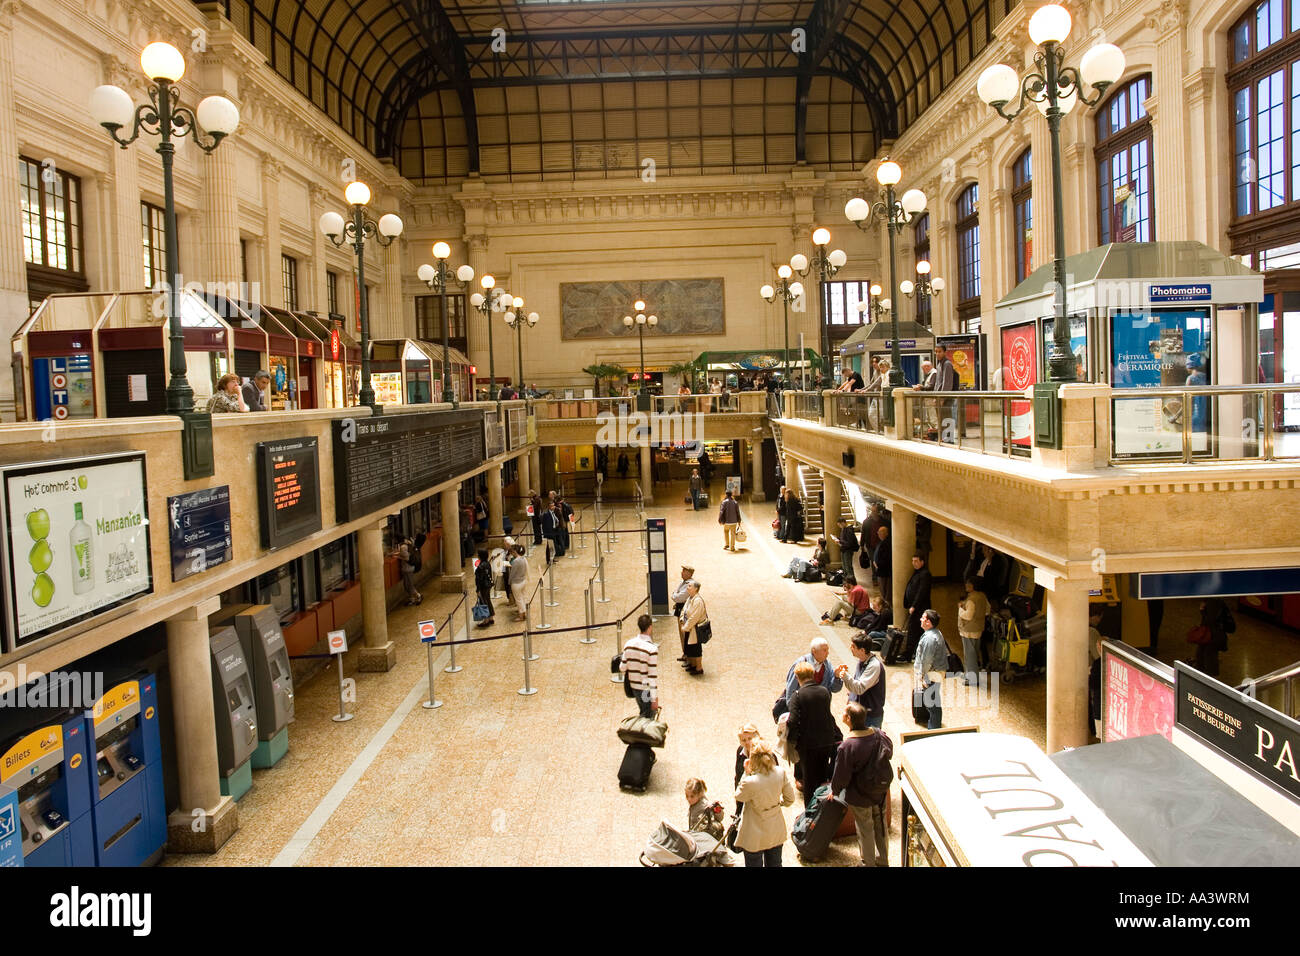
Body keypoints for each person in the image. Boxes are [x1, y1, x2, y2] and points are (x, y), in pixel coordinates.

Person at [831, 703, 893, 867]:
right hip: (879, 790)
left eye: (844, 713)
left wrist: (834, 791)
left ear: (849, 719)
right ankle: (883, 861)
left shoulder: (847, 746)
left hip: (860, 795)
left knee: (865, 828)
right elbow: (890, 751)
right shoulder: (879, 734)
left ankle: (868, 862)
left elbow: (841, 775)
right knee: (880, 827)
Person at [787, 660, 843, 798]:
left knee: (809, 779)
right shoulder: (824, 691)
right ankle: (822, 805)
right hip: (825, 742)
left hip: (808, 745)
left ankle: (810, 811)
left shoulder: (798, 695)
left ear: (797, 677)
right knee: (822, 775)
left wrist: (791, 740)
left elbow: (793, 721)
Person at [733, 741, 794, 867]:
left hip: (753, 834)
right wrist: (778, 804)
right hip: (775, 829)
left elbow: (739, 795)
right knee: (775, 864)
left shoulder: (750, 781)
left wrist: (746, 772)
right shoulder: (780, 772)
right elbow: (790, 799)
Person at [836, 634, 886, 729]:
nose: (850, 648)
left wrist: (844, 674)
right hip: (860, 713)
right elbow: (856, 683)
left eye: (853, 646)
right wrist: (850, 700)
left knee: (870, 742)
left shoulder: (874, 666)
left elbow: (859, 688)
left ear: (862, 650)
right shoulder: (862, 661)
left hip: (871, 716)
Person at [619, 612, 659, 717]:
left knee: (643, 711)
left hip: (634, 687)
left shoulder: (628, 644)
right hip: (645, 689)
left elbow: (622, 667)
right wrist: (654, 698)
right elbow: (652, 676)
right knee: (648, 717)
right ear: (650, 627)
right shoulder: (652, 649)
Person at [913, 610, 948, 729]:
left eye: (923, 618)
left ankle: (933, 729)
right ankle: (934, 726)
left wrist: (922, 676)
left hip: (931, 673)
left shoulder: (930, 638)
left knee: (932, 704)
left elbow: (927, 660)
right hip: (935, 672)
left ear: (928, 622)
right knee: (932, 702)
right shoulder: (934, 633)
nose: (920, 619)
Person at [783, 637, 844, 704]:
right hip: (803, 708)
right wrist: (793, 710)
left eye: (827, 650)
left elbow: (834, 689)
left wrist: (836, 677)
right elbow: (791, 689)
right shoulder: (801, 664)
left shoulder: (827, 665)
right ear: (814, 651)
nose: (828, 653)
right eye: (824, 650)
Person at [957, 577, 990, 684]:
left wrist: (960, 609)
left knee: (969, 656)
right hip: (978, 628)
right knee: (974, 654)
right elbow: (987, 610)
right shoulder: (982, 596)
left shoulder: (971, 599)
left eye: (969, 584)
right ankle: (969, 675)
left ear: (974, 586)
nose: (967, 585)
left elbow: (968, 616)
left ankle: (971, 679)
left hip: (968, 630)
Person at [901, 553, 933, 661]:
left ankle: (909, 654)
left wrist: (914, 605)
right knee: (914, 631)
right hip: (915, 608)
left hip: (920, 609)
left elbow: (921, 592)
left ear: (922, 562)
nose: (913, 563)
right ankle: (911, 654)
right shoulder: (917, 572)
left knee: (914, 631)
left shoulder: (925, 574)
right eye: (912, 561)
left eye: (916, 561)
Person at [1192, 597, 1232, 678]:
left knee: (1208, 657)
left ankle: (1210, 681)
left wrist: (1202, 610)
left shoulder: (1213, 601)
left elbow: (1211, 619)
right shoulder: (1214, 600)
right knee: (1203, 656)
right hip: (1211, 634)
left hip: (1212, 635)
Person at [679, 580, 708, 676]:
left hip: (695, 628)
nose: (687, 587)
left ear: (696, 589)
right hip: (689, 627)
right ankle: (692, 664)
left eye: (690, 586)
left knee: (696, 648)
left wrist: (686, 627)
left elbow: (694, 617)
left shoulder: (698, 601)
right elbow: (684, 610)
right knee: (689, 647)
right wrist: (682, 619)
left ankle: (699, 667)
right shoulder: (690, 598)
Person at [397, 537, 422, 606]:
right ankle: (412, 599)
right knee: (407, 585)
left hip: (407, 569)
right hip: (410, 567)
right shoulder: (410, 544)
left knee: (409, 585)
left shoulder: (403, 547)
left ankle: (418, 596)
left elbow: (406, 557)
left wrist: (398, 557)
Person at [473, 548, 495, 627]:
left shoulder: (480, 567)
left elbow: (479, 579)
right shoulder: (487, 563)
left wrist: (478, 589)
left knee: (483, 602)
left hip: (483, 586)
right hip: (488, 585)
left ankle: (486, 620)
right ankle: (491, 617)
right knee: (488, 600)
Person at [508, 544, 529, 621]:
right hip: (523, 580)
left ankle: (521, 616)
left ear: (514, 552)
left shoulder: (516, 561)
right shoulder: (523, 558)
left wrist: (509, 582)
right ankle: (524, 613)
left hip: (516, 583)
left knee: (518, 600)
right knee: (523, 597)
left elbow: (512, 573)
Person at [871, 525, 892, 601]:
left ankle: (886, 606)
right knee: (882, 590)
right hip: (880, 570)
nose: (878, 534)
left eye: (880, 532)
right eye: (878, 532)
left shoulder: (887, 543)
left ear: (886, 533)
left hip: (884, 571)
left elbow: (886, 558)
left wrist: (878, 564)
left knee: (885, 591)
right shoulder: (881, 542)